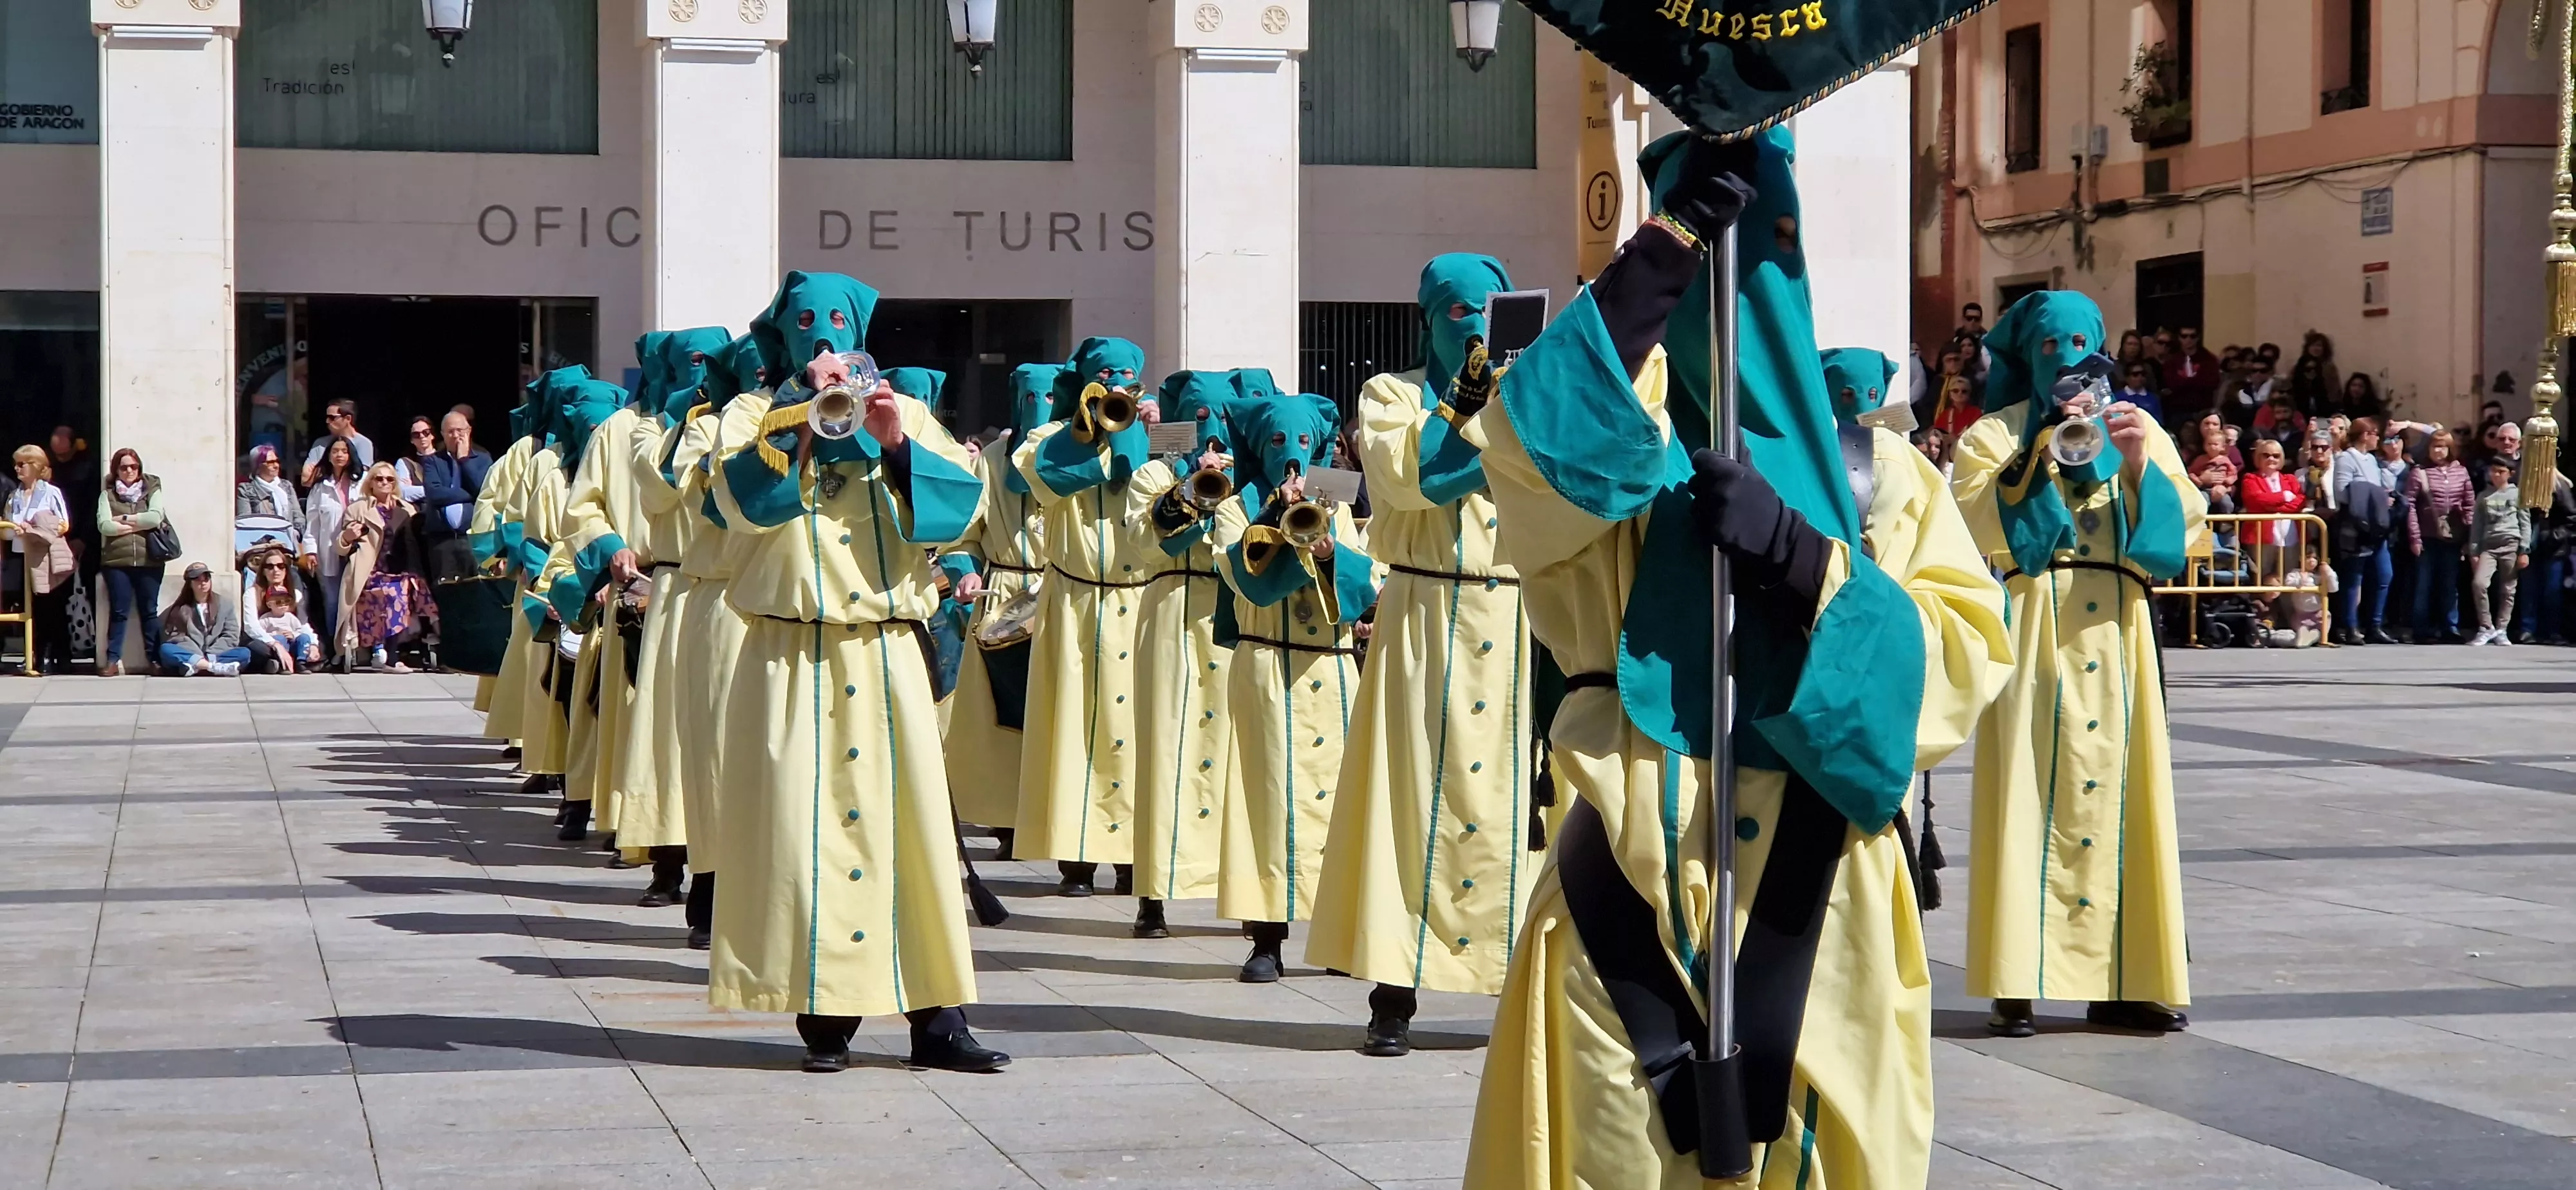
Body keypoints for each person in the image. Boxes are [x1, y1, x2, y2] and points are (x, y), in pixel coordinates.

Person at [1463, 128, 2010, 1189]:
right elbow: (1529, 453)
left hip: (1823, 906)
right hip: (1623, 898)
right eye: (1696, 256)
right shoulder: (1602, 452)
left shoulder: (1883, 475)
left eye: (1763, 246)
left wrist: (1805, 560)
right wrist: (1654, 263)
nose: (1730, 277)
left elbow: (1959, 663)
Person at [706, 270, 1005, 1075]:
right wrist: (799, 421)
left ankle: (936, 1019)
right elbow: (734, 509)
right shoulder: (750, 413)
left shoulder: (902, 407)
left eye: (838, 324)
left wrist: (895, 443)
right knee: (803, 837)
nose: (825, 340)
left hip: (884, 649)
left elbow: (961, 512)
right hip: (791, 650)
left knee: (911, 834)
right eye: (808, 326)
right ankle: (825, 1013)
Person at [1952, 288, 2206, 1039]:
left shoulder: (2137, 426)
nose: (2063, 361)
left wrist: (2136, 464)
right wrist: (2038, 449)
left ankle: (2127, 982)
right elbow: (1973, 519)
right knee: (2028, 791)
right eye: (2047, 347)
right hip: (2037, 621)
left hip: (2119, 630)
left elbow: (2184, 526)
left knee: (2124, 799)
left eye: (2077, 346)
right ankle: (2017, 980)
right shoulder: (1993, 433)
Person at [1305, 254, 1539, 1057]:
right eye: (1455, 312)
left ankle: (1519, 988)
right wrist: (1466, 402)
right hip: (1426, 615)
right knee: (1407, 800)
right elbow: (1411, 478)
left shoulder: (1528, 390)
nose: (1471, 326)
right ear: (1429, 319)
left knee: (1518, 806)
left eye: (1486, 310)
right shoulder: (1391, 393)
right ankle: (1392, 995)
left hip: (1517, 616)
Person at [1210, 386, 1376, 983]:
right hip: (1266, 666)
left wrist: (1329, 550)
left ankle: (1337, 936)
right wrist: (1274, 521)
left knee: (1339, 804)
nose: (1293, 453)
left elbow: (1367, 575)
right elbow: (1239, 572)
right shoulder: (1235, 503)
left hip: (1329, 667)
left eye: (1303, 440)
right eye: (1279, 441)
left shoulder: (1337, 495)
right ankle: (1265, 939)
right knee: (1265, 803)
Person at [1009, 335, 1164, 903]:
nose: (1116, 388)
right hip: (1076, 604)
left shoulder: (1157, 435)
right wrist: (1096, 433)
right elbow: (1039, 478)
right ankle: (1076, 858)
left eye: (1125, 378)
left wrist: (1154, 437)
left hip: (1139, 602)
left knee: (1137, 734)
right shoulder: (1049, 437)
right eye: (1105, 378)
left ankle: (1132, 858)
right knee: (1073, 730)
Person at [1125, 368, 1247, 935]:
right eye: (1200, 418)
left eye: (1221, 418)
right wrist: (1192, 488)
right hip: (1172, 611)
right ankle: (1153, 893)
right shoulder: (1154, 472)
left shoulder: (1248, 476)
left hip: (1231, 614)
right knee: (1164, 748)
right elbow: (1142, 541)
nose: (1212, 431)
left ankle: (1244, 893)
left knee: (1235, 752)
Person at [661, 334, 764, 948]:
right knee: (721, 755)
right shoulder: (708, 428)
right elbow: (713, 502)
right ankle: (714, 887)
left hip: (805, 613)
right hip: (726, 599)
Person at [938, 363, 1056, 859]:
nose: (1039, 409)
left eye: (1049, 398)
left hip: (1062, 591)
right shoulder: (989, 460)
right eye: (1030, 399)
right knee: (1004, 716)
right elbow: (965, 532)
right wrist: (966, 570)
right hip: (1004, 591)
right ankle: (1007, 821)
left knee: (1058, 713)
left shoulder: (1076, 462)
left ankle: (1060, 827)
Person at [338, 460, 435, 671]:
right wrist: (348, 537)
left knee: (419, 587)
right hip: (370, 572)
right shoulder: (358, 509)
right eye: (379, 478)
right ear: (371, 483)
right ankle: (391, 658)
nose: (385, 483)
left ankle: (432, 638)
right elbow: (340, 547)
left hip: (401, 571)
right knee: (396, 591)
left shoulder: (407, 509)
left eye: (390, 479)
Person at [95, 448, 167, 677]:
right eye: (124, 467)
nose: (129, 471)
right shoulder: (107, 495)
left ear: (140, 468)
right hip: (117, 562)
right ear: (116, 470)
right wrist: (139, 525)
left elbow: (155, 517)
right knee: (119, 612)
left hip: (150, 561)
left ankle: (154, 659)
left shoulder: (151, 490)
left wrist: (125, 520)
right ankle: (112, 661)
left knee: (149, 612)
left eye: (134, 467)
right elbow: (105, 526)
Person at [2329, 418, 2399, 645]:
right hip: (2356, 524)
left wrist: (2383, 498)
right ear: (2365, 435)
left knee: (2384, 574)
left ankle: (2375, 625)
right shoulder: (2346, 458)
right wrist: (2372, 495)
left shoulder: (2372, 460)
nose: (2378, 439)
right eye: (2375, 434)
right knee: (2354, 577)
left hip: (2376, 525)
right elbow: (2342, 492)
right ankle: (2350, 626)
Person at [5, 445, 73, 675]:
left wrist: (34, 529)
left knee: (50, 606)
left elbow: (63, 524)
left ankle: (56, 655)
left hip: (44, 556)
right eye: (15, 464)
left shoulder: (51, 492)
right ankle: (32, 655)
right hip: (21, 555)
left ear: (35, 466)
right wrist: (15, 529)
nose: (17, 469)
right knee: (27, 607)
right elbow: (7, 529)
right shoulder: (14, 496)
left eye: (21, 464)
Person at [2406, 429, 2473, 643]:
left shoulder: (2461, 472)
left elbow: (2469, 504)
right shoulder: (2420, 472)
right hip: (2427, 536)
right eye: (2435, 447)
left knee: (2450, 584)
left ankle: (2450, 627)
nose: (2438, 451)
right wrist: (2415, 538)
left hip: (2453, 537)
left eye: (2443, 447)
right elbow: (2410, 506)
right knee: (2424, 584)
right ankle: (2421, 629)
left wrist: (2469, 535)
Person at [418, 410, 491, 581]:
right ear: (443, 434)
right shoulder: (433, 461)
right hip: (442, 540)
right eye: (450, 432)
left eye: (460, 430)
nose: (456, 436)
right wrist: (471, 494)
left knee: (477, 589)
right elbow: (434, 494)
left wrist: (464, 460)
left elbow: (484, 490)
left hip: (472, 539)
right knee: (445, 591)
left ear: (469, 431)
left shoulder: (483, 459)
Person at [2468, 458, 2532, 645]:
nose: (2496, 475)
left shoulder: (2517, 494)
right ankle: (2486, 627)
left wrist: (2524, 550)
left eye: (2501, 472)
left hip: (2510, 544)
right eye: (2493, 471)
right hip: (2489, 546)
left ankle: (2502, 629)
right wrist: (2474, 551)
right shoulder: (2484, 496)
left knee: (2508, 589)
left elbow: (2525, 523)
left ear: (2510, 474)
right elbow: (2477, 526)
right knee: (2479, 584)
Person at [306, 437, 363, 641]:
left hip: (357, 550)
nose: (340, 455)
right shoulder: (320, 488)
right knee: (332, 600)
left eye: (344, 451)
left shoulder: (361, 484)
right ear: (329, 456)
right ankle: (334, 644)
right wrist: (310, 551)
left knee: (355, 598)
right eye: (335, 451)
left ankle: (355, 643)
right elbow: (312, 523)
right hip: (328, 550)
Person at [157, 562, 249, 676]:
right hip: (192, 652)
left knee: (244, 653)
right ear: (190, 584)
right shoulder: (180, 609)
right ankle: (213, 668)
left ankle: (196, 666)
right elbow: (177, 637)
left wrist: (210, 655)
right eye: (197, 579)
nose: (203, 583)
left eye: (206, 578)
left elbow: (231, 634)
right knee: (166, 649)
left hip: (216, 654)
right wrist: (198, 655)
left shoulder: (225, 604)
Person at [2518, 466, 2573, 645]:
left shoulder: (2559, 486)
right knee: (2528, 591)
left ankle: (2553, 631)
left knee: (2552, 591)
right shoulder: (2524, 484)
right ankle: (2528, 629)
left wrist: (2555, 536)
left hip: (2553, 547)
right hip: (2530, 545)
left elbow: (2572, 518)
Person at [2239, 437, 2307, 576]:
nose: (2271, 459)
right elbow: (2256, 500)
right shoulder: (2250, 478)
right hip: (2261, 538)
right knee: (2262, 577)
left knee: (2290, 578)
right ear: (2258, 457)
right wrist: (2284, 496)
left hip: (2291, 537)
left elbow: (2300, 502)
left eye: (2276, 456)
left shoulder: (2290, 479)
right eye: (2266, 455)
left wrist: (2272, 507)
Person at [241, 545, 312, 674]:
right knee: (256, 648)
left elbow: (303, 624)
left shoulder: (296, 594)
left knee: (309, 642)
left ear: (286, 570)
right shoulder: (252, 594)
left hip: (292, 639)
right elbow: (251, 627)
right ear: (263, 571)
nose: (276, 570)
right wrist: (275, 643)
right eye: (270, 567)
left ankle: (283, 663)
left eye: (281, 566)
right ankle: (276, 662)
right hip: (266, 639)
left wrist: (313, 644)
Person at [301, 401, 374, 482]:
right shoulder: (320, 444)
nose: (327, 421)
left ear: (348, 419)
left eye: (332, 418)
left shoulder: (364, 444)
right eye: (327, 417)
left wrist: (320, 471)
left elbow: (360, 478)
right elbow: (305, 479)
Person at [255, 588, 323, 672]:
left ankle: (301, 662)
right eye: (279, 602)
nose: (283, 605)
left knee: (304, 637)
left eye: (287, 601)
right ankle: (283, 664)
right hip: (278, 646)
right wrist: (275, 634)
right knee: (280, 638)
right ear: (269, 605)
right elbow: (262, 634)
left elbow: (299, 630)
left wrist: (293, 635)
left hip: (292, 643)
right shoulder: (266, 619)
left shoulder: (291, 617)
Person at [2164, 326, 2222, 417]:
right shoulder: (2172, 360)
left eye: (2193, 336)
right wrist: (2195, 380)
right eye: (2184, 336)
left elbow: (2211, 382)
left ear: (2198, 338)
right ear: (2179, 338)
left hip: (2203, 408)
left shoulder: (2208, 359)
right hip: (2178, 409)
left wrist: (2184, 380)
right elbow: (2172, 383)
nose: (2188, 340)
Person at [2288, 332, 2342, 418]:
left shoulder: (2329, 367)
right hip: (2300, 407)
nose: (2315, 348)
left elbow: (2334, 390)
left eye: (2319, 345)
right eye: (2312, 345)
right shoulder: (2299, 365)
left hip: (2323, 408)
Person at [2114, 359, 2166, 427]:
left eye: (2143, 374)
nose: (2140, 377)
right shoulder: (2116, 398)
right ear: (2127, 378)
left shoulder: (2154, 398)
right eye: (2135, 374)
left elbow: (2159, 424)